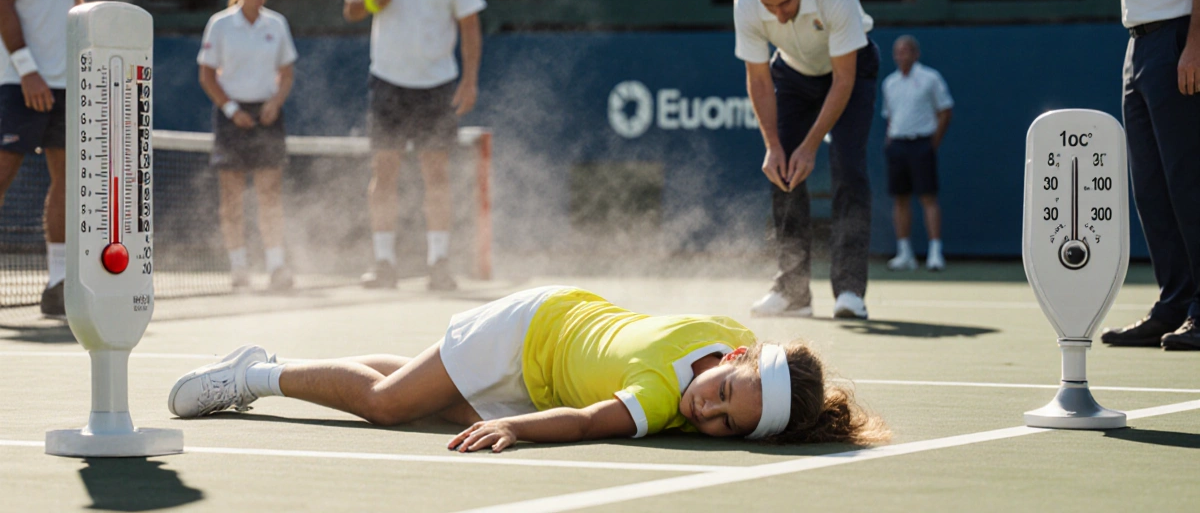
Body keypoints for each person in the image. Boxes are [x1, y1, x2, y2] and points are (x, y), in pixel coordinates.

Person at [166, 285, 890, 450]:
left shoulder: (729, 338)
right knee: (391, 403)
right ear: (734, 356)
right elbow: (582, 420)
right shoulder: (656, 395)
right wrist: (516, 429)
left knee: (425, 395)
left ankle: (269, 369)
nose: (707, 410)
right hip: (529, 329)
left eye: (727, 424)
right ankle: (255, 373)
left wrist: (508, 417)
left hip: (551, 349)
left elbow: (577, 405)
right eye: (723, 392)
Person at [343, 0, 485, 292]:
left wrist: (469, 79)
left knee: (436, 175)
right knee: (383, 172)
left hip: (436, 85)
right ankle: (383, 263)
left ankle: (439, 263)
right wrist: (371, 0)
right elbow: (350, 8)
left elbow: (470, 27)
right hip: (387, 82)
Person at [737, 0, 879, 320]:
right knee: (781, 171)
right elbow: (760, 80)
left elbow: (844, 80)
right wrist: (774, 145)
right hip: (793, 75)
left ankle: (850, 290)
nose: (778, 14)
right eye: (770, 5)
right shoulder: (747, 4)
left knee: (848, 168)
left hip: (850, 72)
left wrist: (810, 145)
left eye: (785, 2)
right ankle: (793, 291)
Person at [1098, 0, 1200, 351]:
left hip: (1178, 40)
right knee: (1152, 187)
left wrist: (1196, 45)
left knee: (1189, 180)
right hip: (1139, 45)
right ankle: (1176, 303)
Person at [0, 0, 93, 319]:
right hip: (17, 80)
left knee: (69, 181)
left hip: (64, 83)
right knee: (2, 175)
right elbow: (2, 1)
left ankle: (58, 284)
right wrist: (27, 68)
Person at [197, 0, 297, 292]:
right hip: (232, 118)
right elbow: (208, 75)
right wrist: (231, 109)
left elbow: (287, 73)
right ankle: (239, 269)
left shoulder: (277, 23)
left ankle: (276, 266)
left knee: (270, 196)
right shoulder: (220, 24)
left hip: (267, 117)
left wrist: (274, 103)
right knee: (232, 200)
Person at [881, 36, 953, 272]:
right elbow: (890, 116)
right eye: (897, 52)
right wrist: (890, 140)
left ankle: (935, 253)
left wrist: (933, 142)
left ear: (916, 54)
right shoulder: (889, 83)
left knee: (928, 198)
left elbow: (945, 110)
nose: (901, 56)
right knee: (900, 199)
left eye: (906, 51)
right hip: (897, 146)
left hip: (922, 144)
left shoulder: (930, 78)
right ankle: (905, 254)